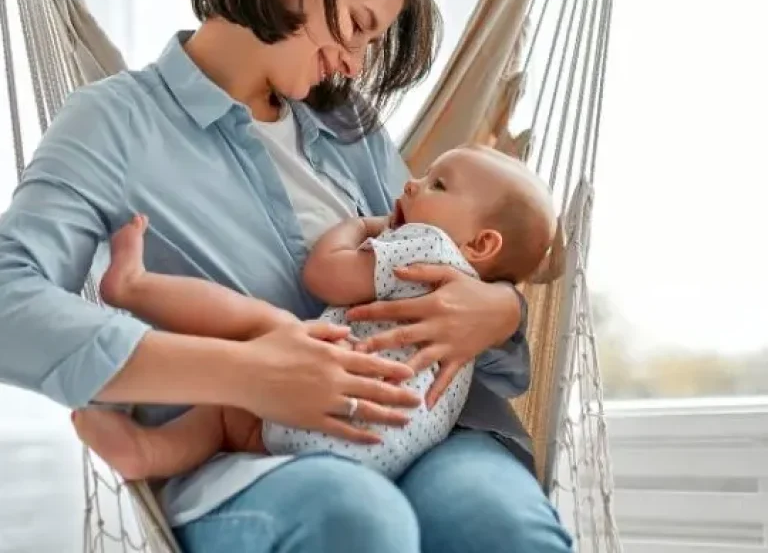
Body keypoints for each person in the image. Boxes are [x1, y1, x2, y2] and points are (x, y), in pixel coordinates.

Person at [0, 0, 572, 552]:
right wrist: (246, 375)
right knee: (356, 519)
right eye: (357, 26)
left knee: (500, 527)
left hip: (429, 428)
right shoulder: (115, 122)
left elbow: (445, 253)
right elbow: (11, 304)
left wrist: (500, 309)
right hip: (248, 452)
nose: (357, 65)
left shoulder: (345, 126)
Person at [72, 145, 557, 483]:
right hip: (376, 457)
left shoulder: (427, 248)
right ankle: (144, 453)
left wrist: (356, 226)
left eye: (438, 184)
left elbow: (325, 276)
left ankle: (134, 289)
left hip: (328, 408)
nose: (412, 183)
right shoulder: (466, 295)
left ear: (480, 244)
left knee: (260, 331)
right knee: (235, 414)